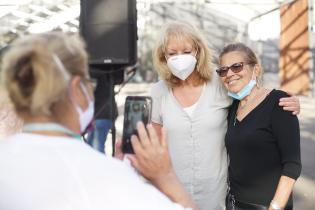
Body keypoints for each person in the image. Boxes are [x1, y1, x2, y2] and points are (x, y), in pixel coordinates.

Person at [0, 32, 198, 210]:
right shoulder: (102, 177)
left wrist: (118, 168)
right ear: (76, 88)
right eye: (89, 82)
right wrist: (164, 175)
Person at [150, 21, 300, 210]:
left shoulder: (219, 82)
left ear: (197, 51)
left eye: (186, 51)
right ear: (163, 55)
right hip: (172, 194)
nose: (180, 58)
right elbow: (152, 147)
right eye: (172, 53)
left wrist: (288, 102)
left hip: (216, 197)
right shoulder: (158, 92)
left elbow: (253, 99)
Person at [217, 43, 301, 210]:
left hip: (268, 206)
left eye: (237, 66)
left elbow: (292, 165)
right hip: (234, 204)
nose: (229, 74)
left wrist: (275, 206)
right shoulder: (232, 107)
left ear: (255, 69)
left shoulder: (279, 102)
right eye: (223, 70)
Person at [86, 68, 118, 154]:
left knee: (97, 147)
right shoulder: (108, 74)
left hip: (102, 115)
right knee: (90, 146)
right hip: (103, 115)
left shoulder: (94, 74)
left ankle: (99, 165)